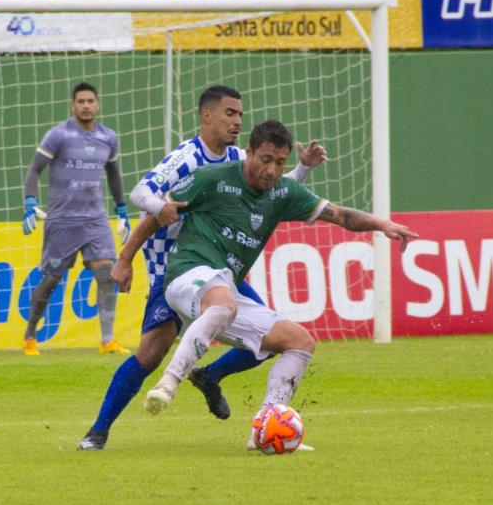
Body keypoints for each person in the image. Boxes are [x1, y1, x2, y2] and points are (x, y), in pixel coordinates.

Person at [132, 120, 418, 448]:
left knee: (299, 342)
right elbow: (156, 214)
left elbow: (340, 215)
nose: (272, 170)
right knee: (222, 303)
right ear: (249, 152)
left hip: (225, 290)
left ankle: (267, 427)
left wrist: (381, 223)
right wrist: (126, 258)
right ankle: (168, 384)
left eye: (280, 163)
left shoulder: (283, 192)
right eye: (265, 159)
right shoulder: (212, 178)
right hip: (186, 275)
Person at [77, 86, 327, 450]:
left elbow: (277, 194)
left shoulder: (243, 157)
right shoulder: (186, 159)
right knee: (151, 352)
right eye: (230, 113)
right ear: (206, 116)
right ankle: (97, 432)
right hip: (177, 268)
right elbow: (140, 193)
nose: (238, 121)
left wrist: (303, 168)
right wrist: (146, 230)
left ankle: (209, 375)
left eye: (240, 114)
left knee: (275, 336)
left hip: (223, 269)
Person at [21, 82, 131, 357]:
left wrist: (121, 208)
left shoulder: (108, 137)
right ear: (73, 105)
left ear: (97, 103)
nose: (86, 106)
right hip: (63, 220)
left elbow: (114, 174)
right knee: (51, 280)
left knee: (107, 275)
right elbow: (34, 169)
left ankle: (107, 340)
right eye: (80, 101)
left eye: (90, 101)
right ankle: (30, 335)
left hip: (95, 220)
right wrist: (30, 202)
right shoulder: (59, 135)